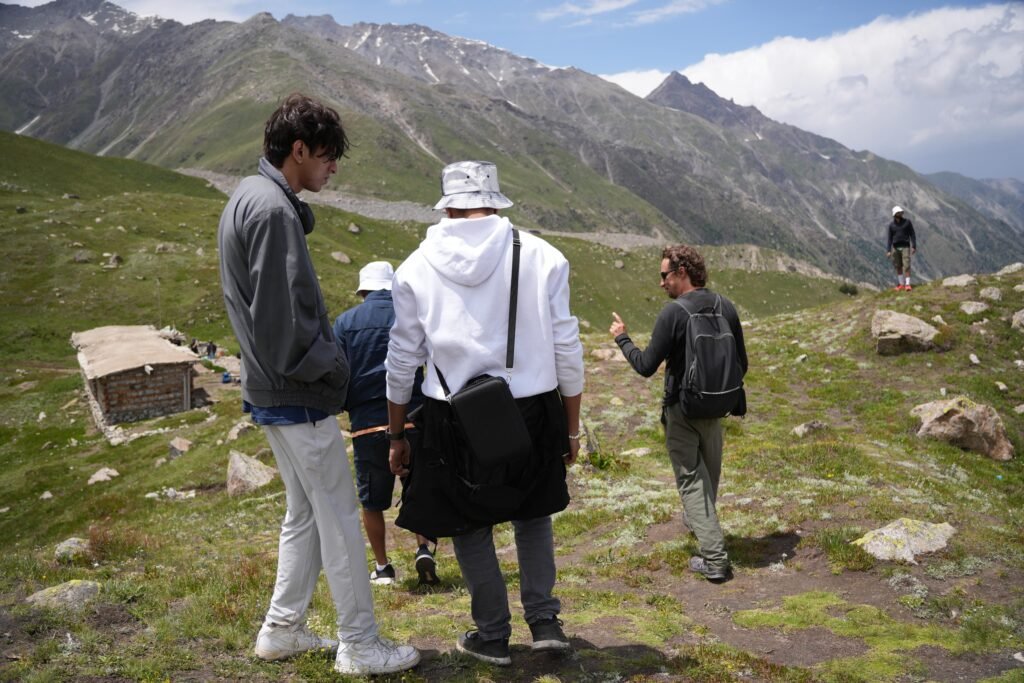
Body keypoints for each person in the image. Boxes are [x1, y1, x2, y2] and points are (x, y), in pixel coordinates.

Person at [217, 93, 419, 676]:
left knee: (304, 514)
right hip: (295, 393)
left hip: (271, 389)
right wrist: (335, 371)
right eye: (329, 156)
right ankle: (361, 644)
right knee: (337, 515)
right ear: (299, 150)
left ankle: (282, 628)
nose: (334, 167)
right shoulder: (273, 213)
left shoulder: (251, 199)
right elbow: (284, 326)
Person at [384, 160, 584, 667]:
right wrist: (571, 427)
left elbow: (402, 358)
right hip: (535, 407)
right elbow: (567, 348)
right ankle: (545, 623)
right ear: (496, 201)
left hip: (453, 415)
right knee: (533, 515)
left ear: (447, 205)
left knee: (470, 526)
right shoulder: (544, 257)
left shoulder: (413, 269)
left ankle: (492, 634)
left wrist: (395, 432)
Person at [608, 244, 747, 583]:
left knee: (691, 482)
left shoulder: (674, 313)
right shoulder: (724, 306)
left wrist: (622, 338)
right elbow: (742, 362)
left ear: (682, 272)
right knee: (706, 483)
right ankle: (703, 527)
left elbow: (645, 366)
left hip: (682, 411)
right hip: (716, 409)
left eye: (664, 275)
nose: (661, 283)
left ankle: (714, 559)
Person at [332, 261, 438, 587]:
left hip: (366, 424)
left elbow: (337, 373)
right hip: (413, 418)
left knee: (371, 501)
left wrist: (344, 405)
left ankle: (382, 568)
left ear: (363, 290)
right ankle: (424, 549)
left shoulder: (345, 323)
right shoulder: (410, 314)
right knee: (420, 490)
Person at [886, 206, 917, 291]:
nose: (900, 214)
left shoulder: (907, 222)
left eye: (900, 212)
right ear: (895, 214)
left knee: (906, 265)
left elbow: (912, 234)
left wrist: (914, 246)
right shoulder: (891, 225)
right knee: (898, 266)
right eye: (898, 213)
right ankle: (901, 284)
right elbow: (889, 238)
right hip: (895, 248)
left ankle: (907, 284)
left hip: (905, 247)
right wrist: (888, 250)